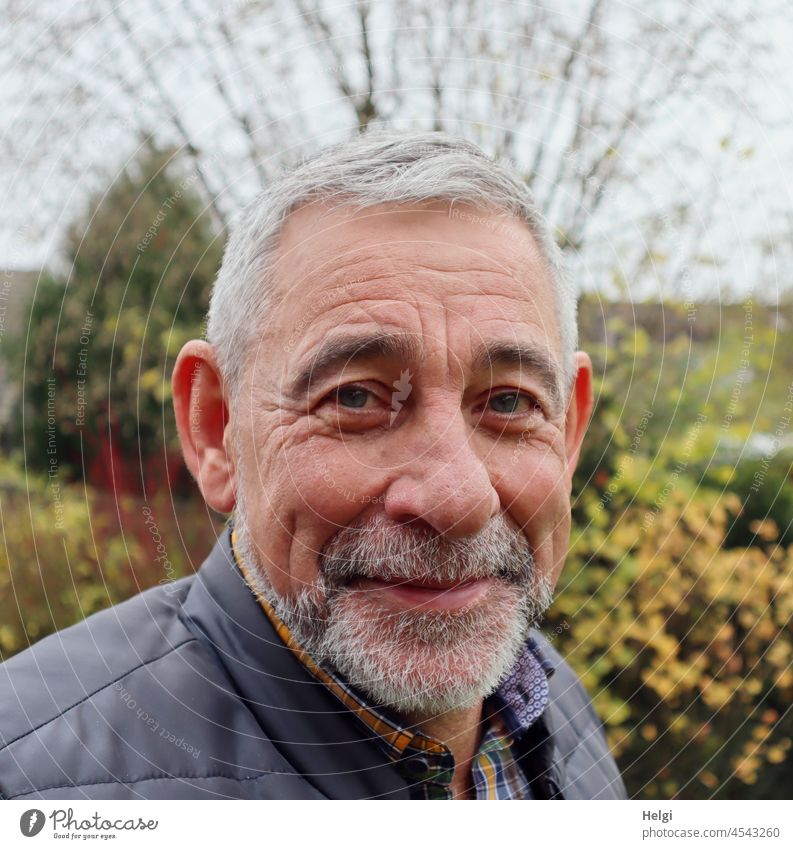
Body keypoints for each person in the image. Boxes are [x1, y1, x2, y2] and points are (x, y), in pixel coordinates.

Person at [0, 131, 627, 800]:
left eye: (509, 401)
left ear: (567, 434)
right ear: (217, 426)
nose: (456, 497)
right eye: (355, 397)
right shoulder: (30, 781)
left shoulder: (558, 717)